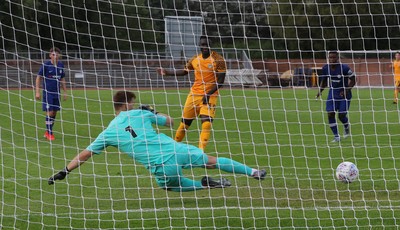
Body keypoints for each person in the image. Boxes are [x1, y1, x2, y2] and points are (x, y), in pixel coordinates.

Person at [48, 91, 266, 192]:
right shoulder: (142, 114)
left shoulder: (108, 133)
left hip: (162, 165)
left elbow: (86, 154)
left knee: (171, 186)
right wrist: (152, 110)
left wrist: (65, 171)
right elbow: (171, 122)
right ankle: (254, 172)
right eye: (132, 103)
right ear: (127, 105)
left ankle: (203, 185)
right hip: (177, 149)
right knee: (212, 160)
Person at [157, 35, 226, 150]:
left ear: (210, 46)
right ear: (199, 46)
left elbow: (220, 82)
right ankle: (174, 147)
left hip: (210, 96)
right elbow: (184, 71)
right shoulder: (195, 59)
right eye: (202, 45)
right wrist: (167, 72)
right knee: (184, 125)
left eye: (207, 45)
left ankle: (200, 152)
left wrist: (208, 94)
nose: (204, 47)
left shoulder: (219, 60)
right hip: (194, 95)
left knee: (207, 124)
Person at [315, 51, 356, 142]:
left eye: (334, 58)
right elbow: (324, 81)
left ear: (337, 58)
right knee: (330, 113)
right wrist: (320, 91)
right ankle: (336, 136)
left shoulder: (344, 68)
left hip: (344, 94)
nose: (332, 60)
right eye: (330, 58)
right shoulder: (326, 68)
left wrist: (347, 90)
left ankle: (346, 126)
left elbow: (353, 79)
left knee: (341, 115)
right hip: (332, 93)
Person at [35, 47, 67, 141]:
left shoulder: (61, 65)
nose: (55, 56)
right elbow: (38, 78)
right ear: (50, 55)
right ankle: (50, 133)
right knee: (50, 112)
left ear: (59, 56)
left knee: (55, 112)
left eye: (57, 55)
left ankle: (48, 131)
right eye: (53, 54)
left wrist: (65, 92)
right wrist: (37, 91)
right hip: (47, 93)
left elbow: (62, 79)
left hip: (57, 93)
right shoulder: (46, 65)